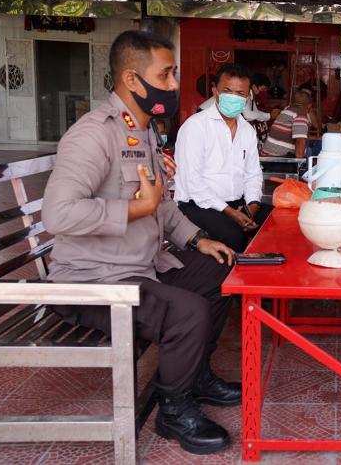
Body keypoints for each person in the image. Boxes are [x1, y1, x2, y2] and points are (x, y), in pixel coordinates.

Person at [42, 30, 240, 456]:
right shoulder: (93, 134)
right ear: (132, 80)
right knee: (187, 310)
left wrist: (197, 238)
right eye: (165, 75)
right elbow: (58, 214)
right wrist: (132, 209)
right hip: (91, 281)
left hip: (140, 267)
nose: (172, 85)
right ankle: (174, 408)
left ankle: (197, 375)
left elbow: (160, 206)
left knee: (222, 270)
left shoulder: (144, 132)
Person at [174, 63, 270, 252]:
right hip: (197, 205)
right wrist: (229, 212)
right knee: (235, 235)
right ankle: (233, 280)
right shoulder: (195, 127)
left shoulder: (247, 131)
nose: (234, 97)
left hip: (236, 204)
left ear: (247, 97)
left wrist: (252, 207)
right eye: (228, 91)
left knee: (274, 222)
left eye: (240, 93)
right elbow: (193, 182)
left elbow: (253, 174)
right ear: (215, 92)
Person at [260, 85, 312, 159]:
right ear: (309, 106)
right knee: (308, 150)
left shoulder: (285, 111)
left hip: (266, 155)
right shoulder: (300, 115)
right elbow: (300, 141)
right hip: (277, 160)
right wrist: (299, 164)